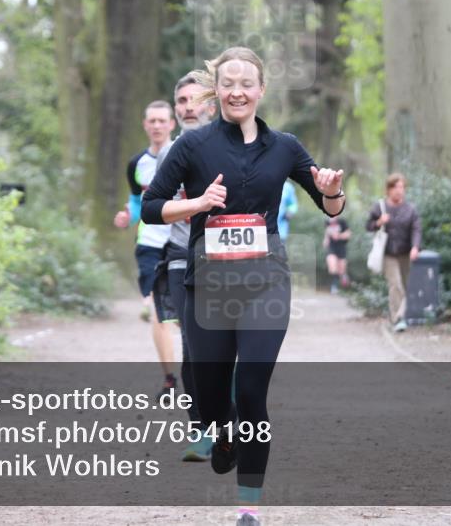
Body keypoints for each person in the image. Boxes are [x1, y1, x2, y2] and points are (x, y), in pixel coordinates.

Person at [142, 47, 346, 526]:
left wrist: (332, 188)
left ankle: (249, 507)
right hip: (207, 285)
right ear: (217, 89)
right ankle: (221, 427)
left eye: (246, 83)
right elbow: (152, 207)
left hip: (265, 283)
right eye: (228, 83)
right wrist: (194, 205)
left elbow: (330, 206)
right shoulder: (191, 147)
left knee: (252, 390)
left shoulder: (286, 147)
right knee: (209, 395)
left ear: (261, 91)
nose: (237, 91)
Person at [152, 71, 218, 462]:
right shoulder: (169, 153)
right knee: (193, 347)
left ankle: (232, 422)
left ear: (211, 104)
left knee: (229, 345)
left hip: (228, 258)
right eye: (181, 101)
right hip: (181, 254)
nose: (188, 106)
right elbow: (154, 209)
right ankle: (200, 430)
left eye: (196, 99)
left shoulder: (232, 145)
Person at [113, 100, 177, 395]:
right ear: (144, 125)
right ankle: (169, 378)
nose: (157, 126)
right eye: (152, 121)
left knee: (184, 314)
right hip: (150, 244)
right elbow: (138, 204)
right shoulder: (136, 164)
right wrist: (128, 216)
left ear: (172, 124)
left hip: (181, 242)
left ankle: (195, 369)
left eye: (162, 120)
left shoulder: (184, 156)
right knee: (157, 309)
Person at [365, 172, 422, 332]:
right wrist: (378, 222)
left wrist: (415, 247)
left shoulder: (410, 209)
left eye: (402, 187)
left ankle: (399, 316)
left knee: (405, 285)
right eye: (396, 187)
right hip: (388, 253)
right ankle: (398, 318)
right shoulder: (380, 206)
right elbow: (368, 226)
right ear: (388, 189)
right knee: (395, 284)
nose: (399, 190)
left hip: (405, 253)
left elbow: (416, 229)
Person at [323, 215, 351, 293]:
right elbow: (327, 233)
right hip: (332, 247)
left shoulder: (342, 221)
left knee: (341, 270)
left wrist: (339, 236)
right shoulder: (327, 222)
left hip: (341, 247)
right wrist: (325, 240)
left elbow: (348, 235)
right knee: (332, 266)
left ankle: (344, 276)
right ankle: (334, 287)